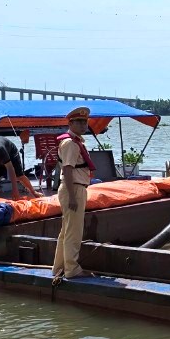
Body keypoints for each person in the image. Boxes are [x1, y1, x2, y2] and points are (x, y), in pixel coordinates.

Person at [52, 106, 95, 281]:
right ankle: (72, 269)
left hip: (74, 187)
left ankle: (59, 267)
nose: (83, 124)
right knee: (74, 232)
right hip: (74, 188)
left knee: (67, 230)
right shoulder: (71, 143)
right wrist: (71, 196)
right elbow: (68, 170)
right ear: (70, 123)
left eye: (85, 121)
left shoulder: (75, 141)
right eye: (79, 121)